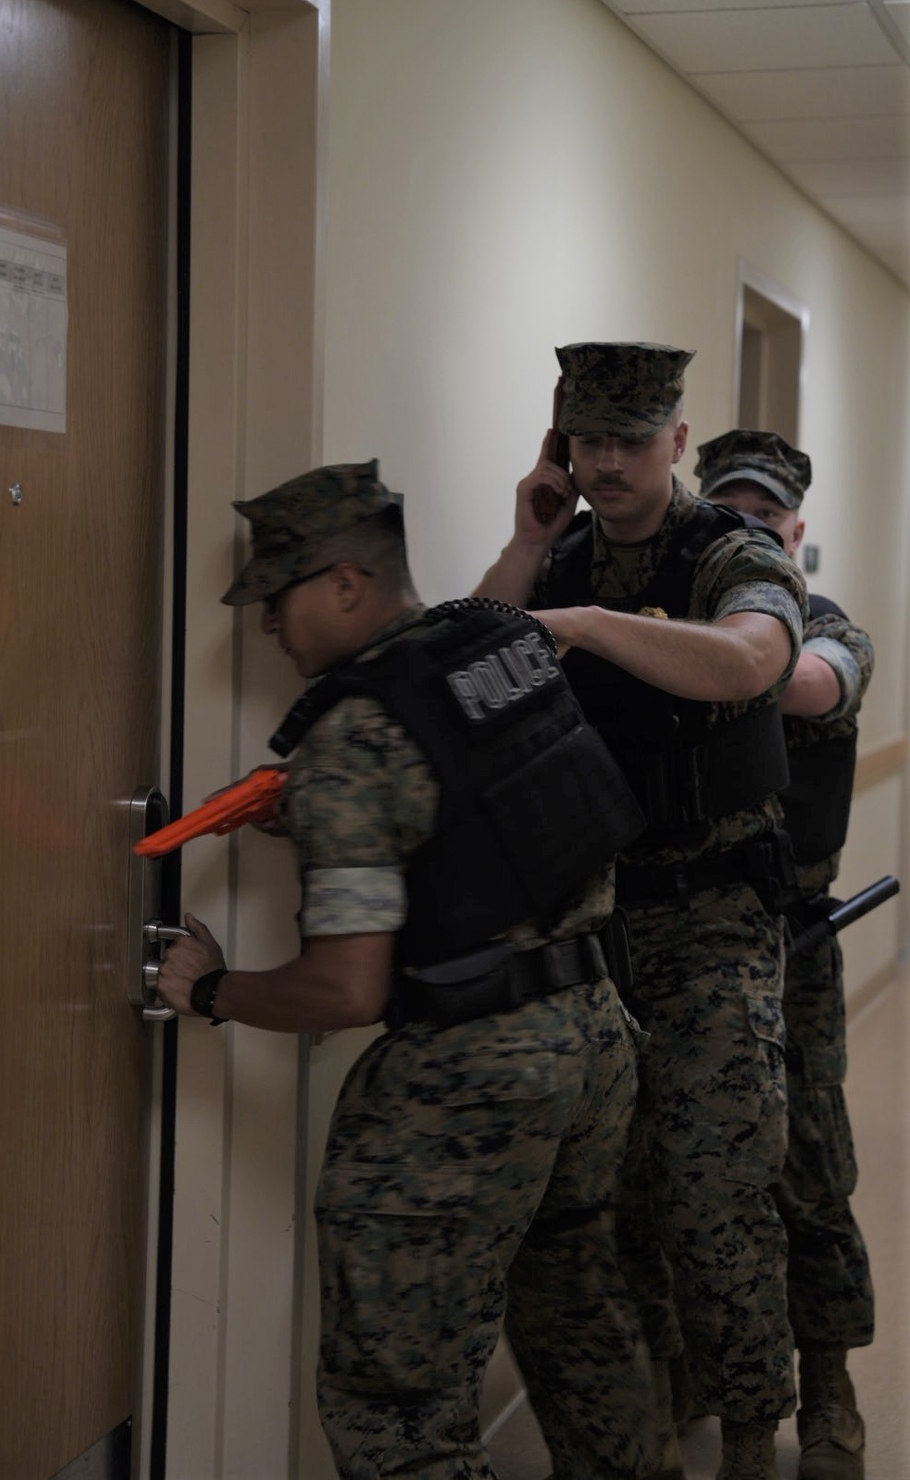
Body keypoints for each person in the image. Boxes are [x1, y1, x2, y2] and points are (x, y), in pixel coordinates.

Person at [156, 459, 658, 1480]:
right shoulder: (502, 645)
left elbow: (344, 990)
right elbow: (486, 809)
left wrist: (211, 988)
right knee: (576, 1307)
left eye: (276, 600)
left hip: (473, 1078)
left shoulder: (352, 736)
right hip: (595, 1036)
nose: (266, 629)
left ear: (346, 583)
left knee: (398, 1403)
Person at [475, 343, 808, 1480]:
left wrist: (582, 626)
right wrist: (528, 542)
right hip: (593, 927)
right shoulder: (560, 547)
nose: (605, 462)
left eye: (630, 438)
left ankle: (755, 1437)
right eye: (584, 439)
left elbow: (751, 662)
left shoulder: (729, 549)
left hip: (711, 927)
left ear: (677, 440)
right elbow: (459, 668)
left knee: (718, 1196)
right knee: (613, 1208)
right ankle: (652, 1424)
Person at [696, 430, 874, 1480]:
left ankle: (831, 1390)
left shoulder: (827, 626)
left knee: (810, 1172)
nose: (747, 529)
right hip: (684, 944)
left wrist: (719, 650)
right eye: (728, 512)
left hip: (791, 943)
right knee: (709, 1187)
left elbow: (807, 685)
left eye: (765, 517)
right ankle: (736, 1414)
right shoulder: (675, 618)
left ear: (795, 532)